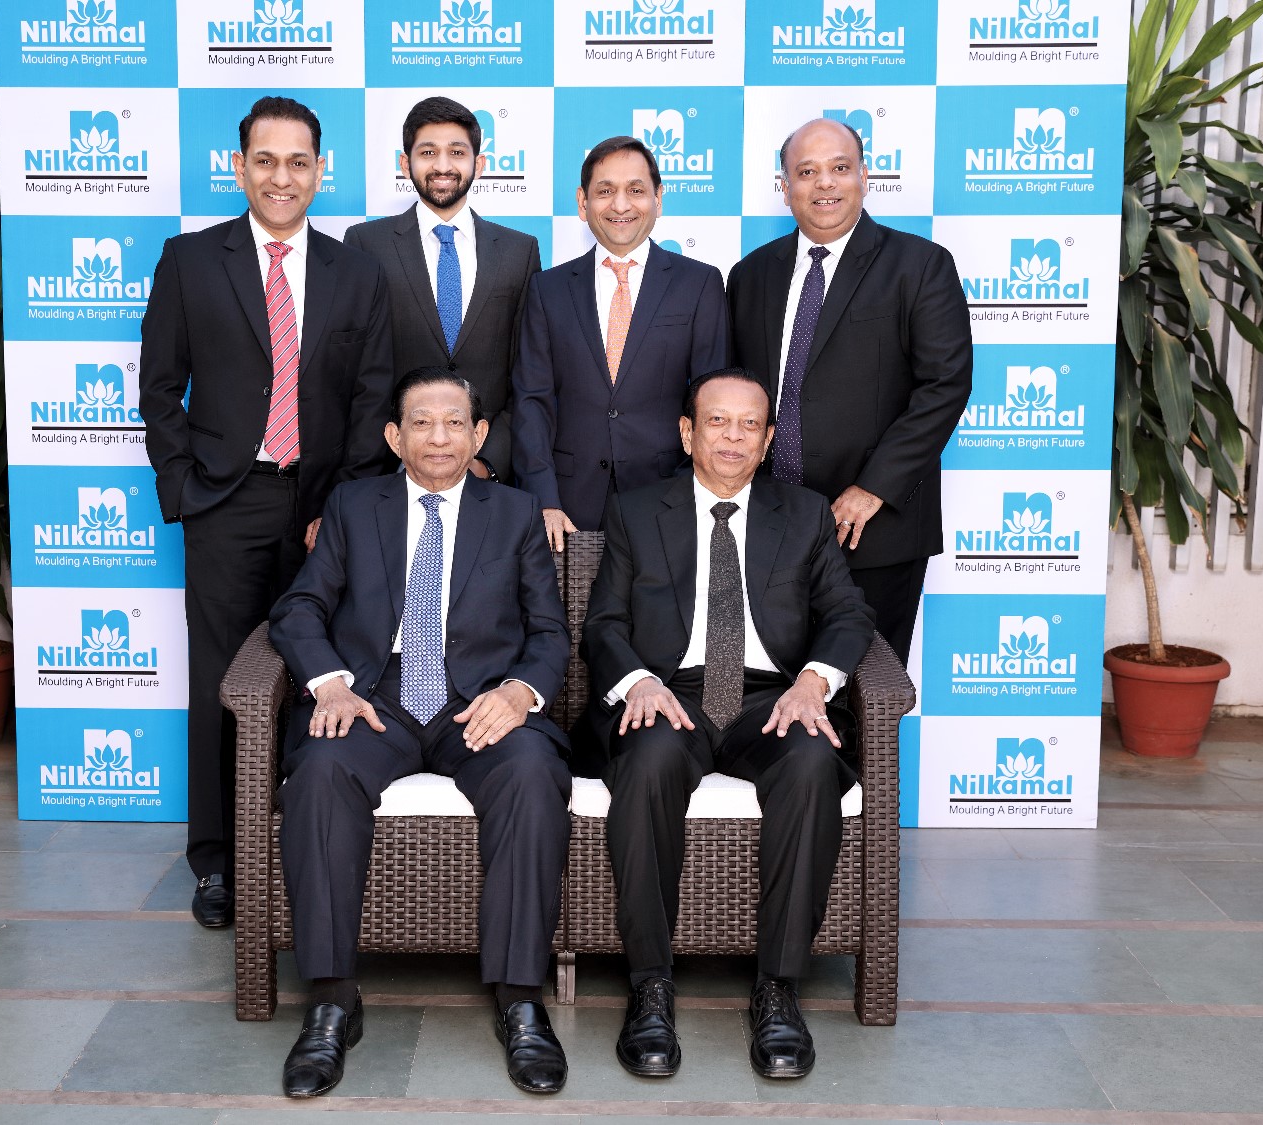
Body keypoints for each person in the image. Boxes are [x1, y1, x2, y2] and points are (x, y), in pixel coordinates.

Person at [268, 368, 573, 1098]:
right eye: (422, 423)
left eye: (455, 422)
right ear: (394, 436)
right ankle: (331, 1001)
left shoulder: (515, 512)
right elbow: (300, 608)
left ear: (480, 434)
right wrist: (329, 682)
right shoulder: (353, 506)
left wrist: (519, 691)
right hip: (376, 702)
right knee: (320, 770)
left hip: (477, 707)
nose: (439, 437)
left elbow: (550, 632)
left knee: (532, 772)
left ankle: (521, 999)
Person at [577, 368, 875, 1081]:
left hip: (771, 696)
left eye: (749, 425)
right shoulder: (636, 510)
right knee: (647, 759)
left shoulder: (804, 514)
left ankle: (779, 988)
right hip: (668, 692)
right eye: (717, 421)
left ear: (768, 440)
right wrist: (638, 681)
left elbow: (848, 613)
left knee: (811, 762)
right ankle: (651, 986)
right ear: (688, 433)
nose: (733, 438)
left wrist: (814, 681)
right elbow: (604, 624)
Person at [140, 95, 394, 930]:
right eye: (265, 160)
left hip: (324, 509)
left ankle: (297, 845)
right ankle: (220, 860)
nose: (281, 177)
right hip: (226, 501)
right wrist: (187, 487)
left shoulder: (356, 271)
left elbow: (371, 399)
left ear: (321, 171)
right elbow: (158, 388)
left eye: (298, 162)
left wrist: (342, 505)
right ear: (239, 167)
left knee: (320, 675)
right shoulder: (189, 260)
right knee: (223, 682)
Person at [726, 117, 971, 663]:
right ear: (784, 187)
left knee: (870, 690)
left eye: (840, 168)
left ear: (865, 176)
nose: (825, 183)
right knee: (774, 688)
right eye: (806, 171)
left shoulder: (919, 265)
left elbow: (945, 385)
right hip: (770, 525)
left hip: (874, 527)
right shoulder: (750, 275)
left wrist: (872, 489)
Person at [512, 136, 730, 550]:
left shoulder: (699, 283)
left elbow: (714, 403)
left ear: (658, 199)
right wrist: (544, 498)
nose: (621, 204)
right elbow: (531, 401)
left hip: (669, 499)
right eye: (605, 191)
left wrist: (692, 492)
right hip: (568, 508)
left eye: (635, 190)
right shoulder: (548, 289)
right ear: (583, 202)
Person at [344, 96, 540, 483]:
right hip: (387, 471)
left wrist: (488, 462)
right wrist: (384, 458)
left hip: (485, 475)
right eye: (428, 152)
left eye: (457, 152)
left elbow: (528, 376)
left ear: (479, 164)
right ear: (406, 164)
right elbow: (354, 370)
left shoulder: (519, 251)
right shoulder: (366, 243)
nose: (443, 166)